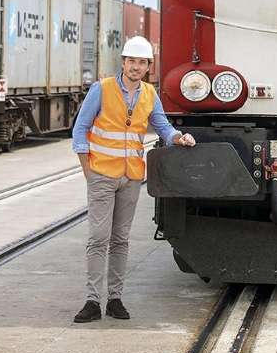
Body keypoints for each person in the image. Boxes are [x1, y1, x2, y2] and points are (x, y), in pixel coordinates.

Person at [71, 36, 196, 323]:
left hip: (131, 176)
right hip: (102, 174)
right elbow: (80, 131)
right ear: (123, 62)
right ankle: (92, 301)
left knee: (120, 240)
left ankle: (115, 299)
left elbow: (162, 126)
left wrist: (179, 138)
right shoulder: (101, 90)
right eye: (131, 61)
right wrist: (88, 172)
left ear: (148, 66)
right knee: (98, 238)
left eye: (142, 62)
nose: (135, 67)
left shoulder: (150, 95)